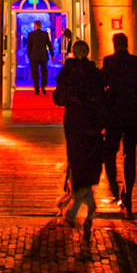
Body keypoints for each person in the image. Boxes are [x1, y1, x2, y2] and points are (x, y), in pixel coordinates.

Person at [100, 33, 137, 217]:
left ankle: (115, 190)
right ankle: (128, 196)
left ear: (114, 44)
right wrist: (136, 89)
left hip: (113, 115)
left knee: (109, 154)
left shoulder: (109, 62)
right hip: (133, 114)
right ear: (127, 44)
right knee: (129, 156)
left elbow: (101, 83)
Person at [53, 38, 105, 240]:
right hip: (90, 120)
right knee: (88, 157)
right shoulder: (94, 72)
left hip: (74, 118)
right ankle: (84, 196)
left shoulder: (68, 71)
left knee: (75, 156)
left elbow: (60, 96)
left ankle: (79, 200)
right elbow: (101, 96)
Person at [24, 22, 52, 96]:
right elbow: (49, 44)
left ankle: (36, 88)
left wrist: (29, 55)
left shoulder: (31, 35)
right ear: (41, 26)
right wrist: (52, 54)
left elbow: (28, 47)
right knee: (44, 72)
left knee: (35, 73)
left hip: (34, 56)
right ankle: (43, 86)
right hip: (43, 55)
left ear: (35, 26)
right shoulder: (44, 34)